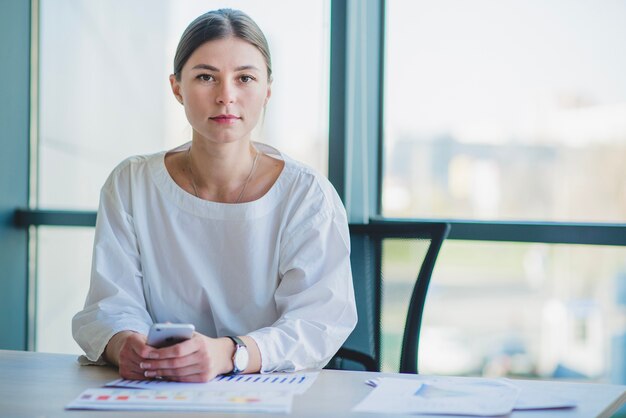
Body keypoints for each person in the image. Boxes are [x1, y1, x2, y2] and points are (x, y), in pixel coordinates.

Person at [72, 8, 357, 383]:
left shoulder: (307, 195)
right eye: (206, 77)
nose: (226, 96)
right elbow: (111, 303)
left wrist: (229, 353)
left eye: (245, 78)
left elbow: (318, 321)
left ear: (267, 90)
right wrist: (124, 343)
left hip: (271, 390)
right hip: (158, 388)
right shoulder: (131, 183)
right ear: (177, 87)